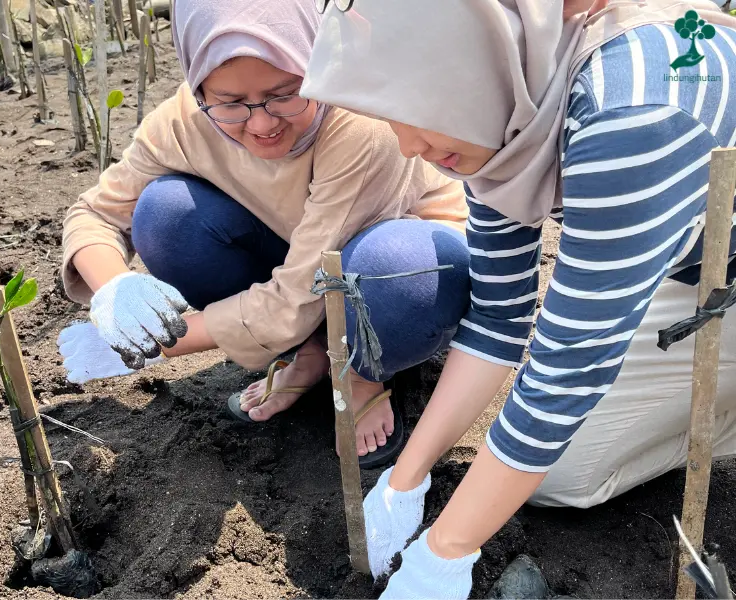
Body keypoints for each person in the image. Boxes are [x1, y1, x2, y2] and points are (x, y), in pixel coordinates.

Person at [301, 0, 736, 596]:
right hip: (685, 259)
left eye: (414, 103)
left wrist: (445, 550)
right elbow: (501, 315)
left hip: (719, 269)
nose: (407, 145)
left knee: (544, 456)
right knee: (556, 472)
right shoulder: (501, 96)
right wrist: (406, 480)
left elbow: (571, 364)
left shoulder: (639, 107)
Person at [57, 0, 470, 468]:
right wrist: (115, 285)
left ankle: (364, 372)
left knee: (390, 267)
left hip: (399, 269)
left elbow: (301, 289)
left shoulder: (362, 118)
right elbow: (95, 212)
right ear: (199, 89)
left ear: (316, 67)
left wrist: (162, 343)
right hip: (302, 257)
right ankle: (313, 351)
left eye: (286, 93)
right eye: (231, 104)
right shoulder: (184, 120)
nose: (262, 123)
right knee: (165, 213)